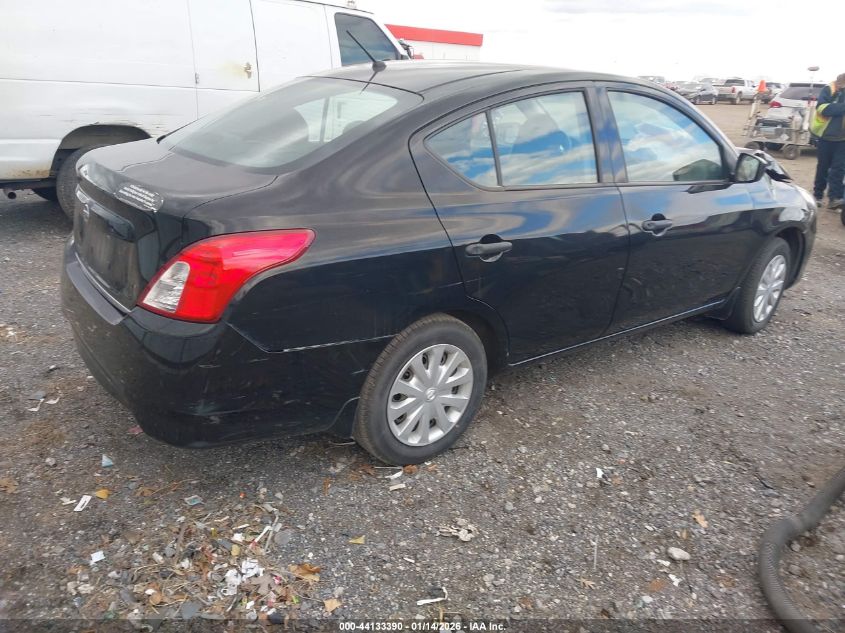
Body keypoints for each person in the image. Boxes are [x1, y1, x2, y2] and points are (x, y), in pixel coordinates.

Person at [811, 73, 845, 210]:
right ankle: (818, 195)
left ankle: (834, 199)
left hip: (842, 139)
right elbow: (823, 109)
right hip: (825, 136)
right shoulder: (829, 90)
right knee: (823, 168)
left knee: (838, 169)